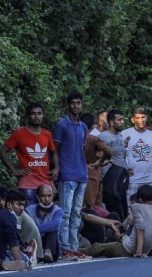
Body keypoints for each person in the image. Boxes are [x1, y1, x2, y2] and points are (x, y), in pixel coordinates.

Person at [79, 185, 152, 258]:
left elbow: (140, 229)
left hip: (127, 248)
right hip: (146, 249)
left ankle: (77, 251)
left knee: (97, 247)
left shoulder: (136, 207)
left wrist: (138, 252)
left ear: (140, 199)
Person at [54, 91, 91, 261]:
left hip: (81, 174)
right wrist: (56, 170)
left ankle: (74, 247)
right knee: (66, 213)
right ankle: (64, 248)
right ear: (68, 105)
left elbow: (81, 149)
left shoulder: (83, 126)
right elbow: (55, 150)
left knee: (76, 212)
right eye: (73, 103)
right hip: (67, 174)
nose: (76, 106)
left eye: (78, 103)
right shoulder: (62, 125)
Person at [0, 102, 59, 206]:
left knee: (46, 216)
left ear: (43, 115)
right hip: (27, 184)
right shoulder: (19, 134)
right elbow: (2, 151)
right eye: (33, 113)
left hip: (45, 183)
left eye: (39, 113)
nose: (36, 116)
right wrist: (14, 169)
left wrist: (57, 168)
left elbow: (53, 152)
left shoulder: (47, 134)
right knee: (30, 217)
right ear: (28, 116)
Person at [0, 190, 35, 270]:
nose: (22, 208)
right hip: (0, 255)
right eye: (19, 204)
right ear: (9, 204)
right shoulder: (9, 216)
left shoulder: (1, 215)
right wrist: (19, 262)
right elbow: (12, 241)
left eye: (23, 205)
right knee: (27, 261)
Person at [121, 106, 152, 204]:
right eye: (138, 118)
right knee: (131, 209)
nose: (141, 120)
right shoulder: (125, 134)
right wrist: (124, 169)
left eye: (143, 117)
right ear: (132, 119)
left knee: (149, 209)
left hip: (149, 179)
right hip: (132, 180)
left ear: (146, 118)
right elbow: (119, 155)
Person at [98, 109, 130, 218]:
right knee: (113, 211)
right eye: (119, 120)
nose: (122, 122)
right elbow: (99, 157)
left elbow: (121, 156)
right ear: (111, 122)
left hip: (120, 178)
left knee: (123, 210)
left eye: (123, 119)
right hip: (109, 179)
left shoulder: (120, 136)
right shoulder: (103, 137)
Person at [80, 112, 112, 210]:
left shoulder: (77, 138)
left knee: (87, 205)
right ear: (92, 125)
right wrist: (100, 162)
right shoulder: (93, 138)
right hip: (93, 174)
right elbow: (108, 151)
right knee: (94, 206)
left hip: (82, 173)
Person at [25, 184, 62, 263]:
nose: (47, 199)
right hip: (33, 244)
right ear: (38, 197)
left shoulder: (57, 210)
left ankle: (48, 252)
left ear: (53, 196)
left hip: (51, 247)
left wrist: (34, 229)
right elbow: (26, 230)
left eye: (49, 196)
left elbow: (55, 224)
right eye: (43, 196)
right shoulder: (29, 210)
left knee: (53, 229)